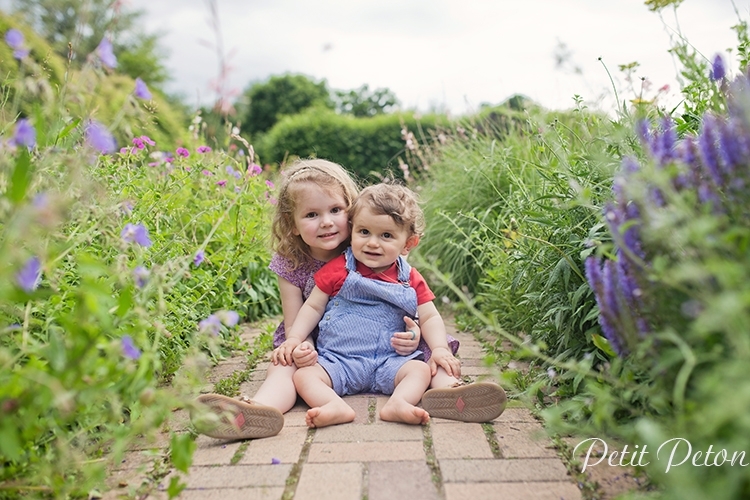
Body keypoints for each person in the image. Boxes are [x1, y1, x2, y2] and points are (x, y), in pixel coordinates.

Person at [191, 159, 422, 439]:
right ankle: (258, 411)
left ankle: (452, 391)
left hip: (377, 346)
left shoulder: (365, 247)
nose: (326, 222)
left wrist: (415, 331)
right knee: (285, 367)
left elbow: (403, 300)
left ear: (351, 213)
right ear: (293, 225)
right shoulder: (290, 263)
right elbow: (296, 321)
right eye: (311, 215)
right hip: (310, 342)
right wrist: (301, 347)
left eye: (336, 210)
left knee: (431, 361)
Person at [273, 182, 506, 428]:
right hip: (339, 361)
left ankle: (399, 402)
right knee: (305, 376)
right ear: (352, 231)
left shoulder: (410, 278)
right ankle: (333, 405)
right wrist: (295, 338)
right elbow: (312, 307)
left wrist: (439, 348)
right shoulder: (338, 269)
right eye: (364, 232)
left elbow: (429, 317)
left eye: (386, 235)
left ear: (408, 244)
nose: (373, 243)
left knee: (419, 370)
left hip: (390, 361)